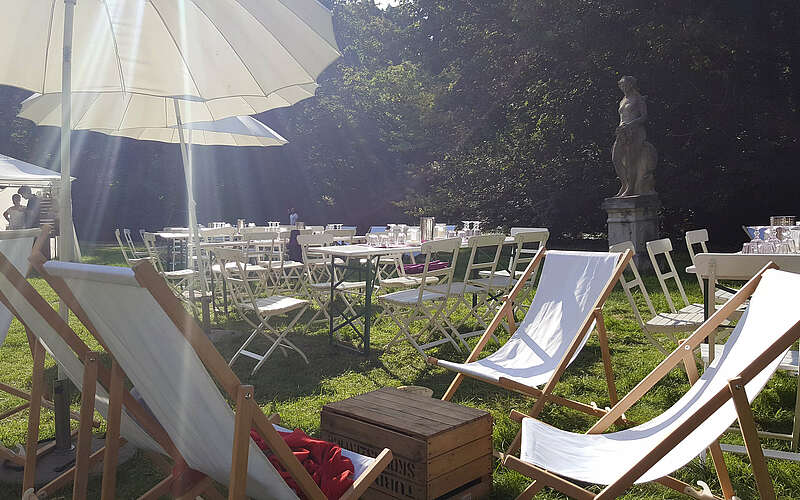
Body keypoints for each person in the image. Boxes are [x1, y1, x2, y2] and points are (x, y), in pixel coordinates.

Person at [611, 76, 657, 197]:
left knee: (631, 161)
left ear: (631, 85)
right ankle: (624, 184)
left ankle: (630, 188)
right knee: (616, 159)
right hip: (622, 132)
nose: (622, 87)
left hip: (635, 132)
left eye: (624, 85)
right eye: (621, 85)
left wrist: (630, 124)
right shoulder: (623, 100)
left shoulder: (638, 98)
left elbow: (644, 117)